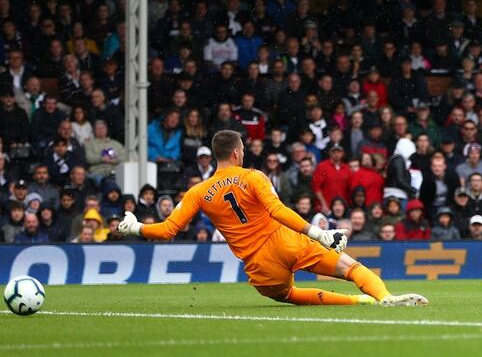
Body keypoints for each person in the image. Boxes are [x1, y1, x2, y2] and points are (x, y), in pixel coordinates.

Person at [118, 130, 426, 306]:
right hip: (285, 241)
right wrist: (319, 233)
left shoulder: (198, 191)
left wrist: (136, 227)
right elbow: (277, 210)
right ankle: (383, 296)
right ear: (236, 153)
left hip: (260, 265)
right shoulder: (253, 176)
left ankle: (359, 302)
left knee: (289, 294)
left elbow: (168, 230)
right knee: (349, 267)